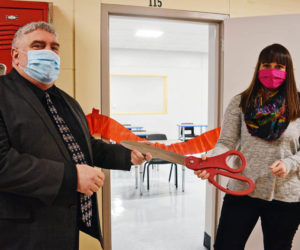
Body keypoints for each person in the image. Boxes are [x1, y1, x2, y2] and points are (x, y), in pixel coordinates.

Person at [0, 21, 151, 250]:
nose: (48, 53)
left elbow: (85, 146)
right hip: (21, 232)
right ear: (16, 56)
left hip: (63, 227)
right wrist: (71, 177)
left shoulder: (66, 101)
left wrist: (127, 153)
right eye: (38, 46)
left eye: (54, 47)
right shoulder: (3, 94)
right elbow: (3, 164)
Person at [195, 44, 300, 250]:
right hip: (241, 189)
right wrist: (212, 161)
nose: (272, 70)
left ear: (288, 71)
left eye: (279, 66)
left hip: (285, 195)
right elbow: (226, 143)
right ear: (258, 67)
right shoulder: (240, 102)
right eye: (267, 64)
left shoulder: (299, 103)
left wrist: (289, 163)